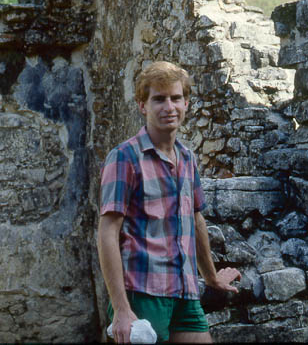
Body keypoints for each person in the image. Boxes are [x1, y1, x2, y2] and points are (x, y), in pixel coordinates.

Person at [97, 61, 241, 343]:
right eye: (159, 99)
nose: (169, 107)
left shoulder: (187, 158)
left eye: (176, 98)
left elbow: (195, 218)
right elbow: (108, 231)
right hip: (143, 294)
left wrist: (210, 278)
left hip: (185, 291)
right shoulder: (125, 157)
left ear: (186, 103)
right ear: (142, 106)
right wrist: (121, 309)